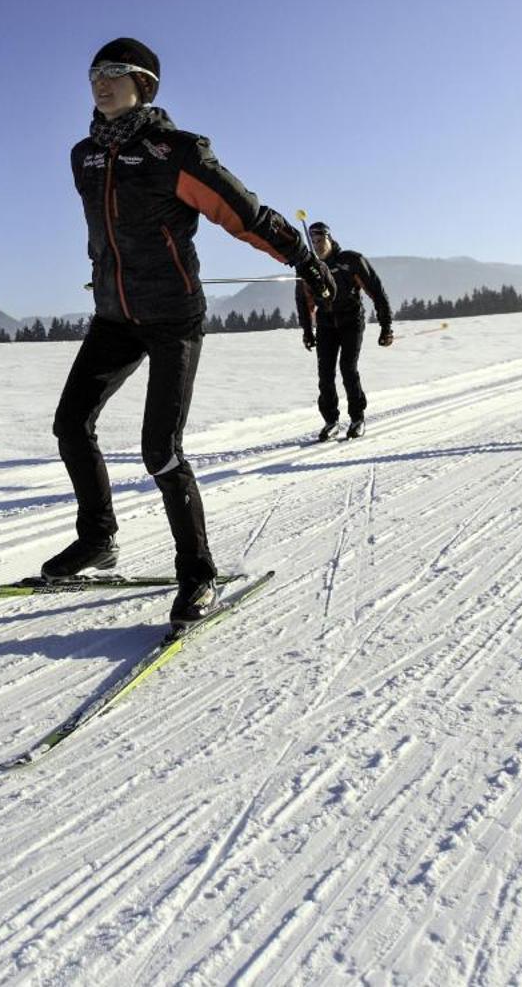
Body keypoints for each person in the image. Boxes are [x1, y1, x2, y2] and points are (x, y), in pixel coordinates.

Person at [41, 37, 333, 626]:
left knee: (160, 449)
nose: (101, 82)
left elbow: (242, 214)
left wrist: (302, 259)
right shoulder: (84, 156)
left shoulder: (175, 151)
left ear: (144, 84)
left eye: (116, 72)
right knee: (70, 423)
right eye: (95, 72)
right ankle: (98, 538)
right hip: (115, 316)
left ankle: (197, 572)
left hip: (173, 317)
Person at [297, 222, 393, 440]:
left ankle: (357, 417)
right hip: (326, 323)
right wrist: (307, 331)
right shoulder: (309, 267)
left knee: (348, 368)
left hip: (351, 320)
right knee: (325, 374)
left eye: (320, 240)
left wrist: (386, 326)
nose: (317, 245)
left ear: (330, 239)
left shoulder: (351, 261)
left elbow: (376, 292)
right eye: (313, 242)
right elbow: (304, 302)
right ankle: (331, 421)